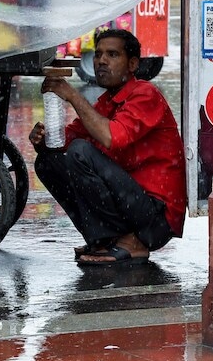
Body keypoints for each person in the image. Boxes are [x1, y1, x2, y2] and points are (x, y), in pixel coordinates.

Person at [29, 29, 187, 266]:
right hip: (133, 205)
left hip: (155, 218)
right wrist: (44, 140)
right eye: (98, 54)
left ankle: (132, 243)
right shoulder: (107, 102)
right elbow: (68, 139)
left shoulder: (146, 94)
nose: (101, 61)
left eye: (112, 55)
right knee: (48, 162)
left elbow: (112, 137)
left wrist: (71, 94)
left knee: (80, 152)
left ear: (132, 64)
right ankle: (104, 239)